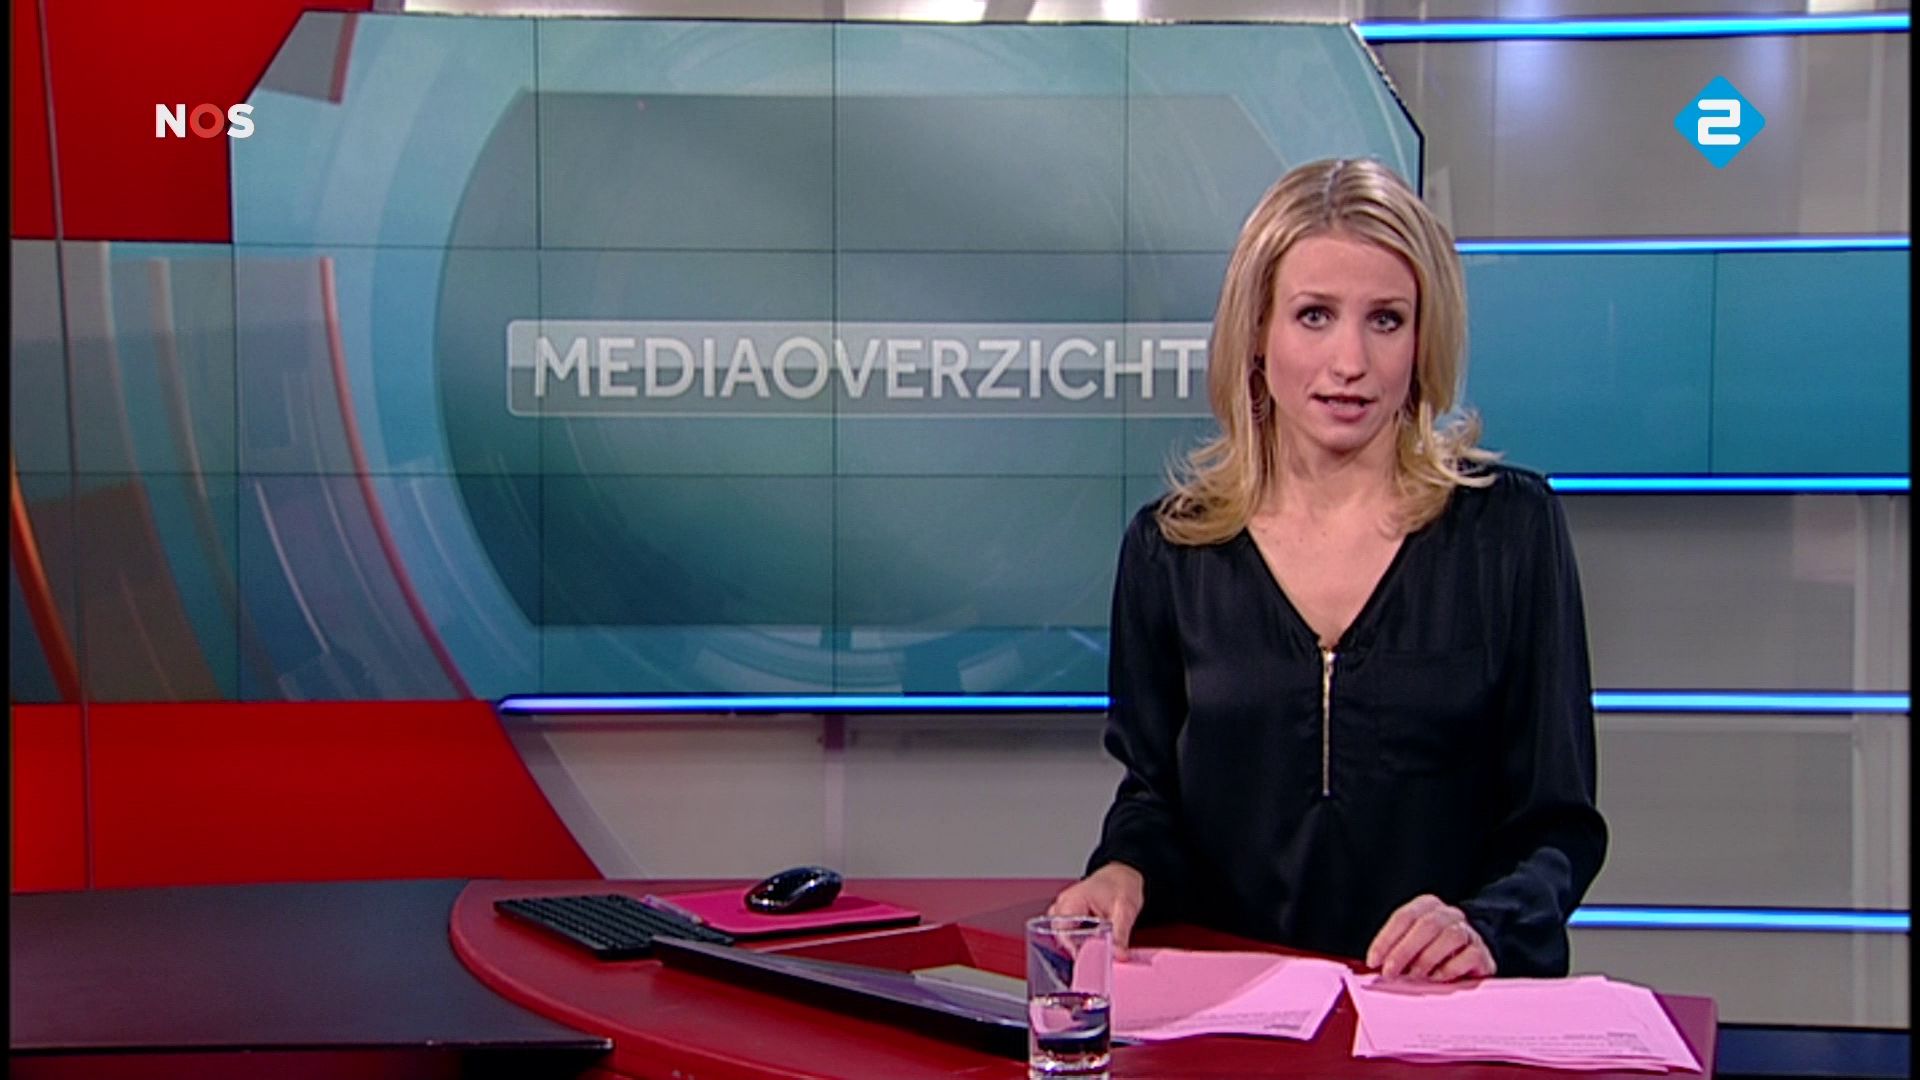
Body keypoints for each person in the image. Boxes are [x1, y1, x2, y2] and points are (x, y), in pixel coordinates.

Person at [1049, 157, 1606, 981]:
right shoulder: (1173, 549)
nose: (1350, 360)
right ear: (1256, 332)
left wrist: (1485, 924)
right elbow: (1153, 797)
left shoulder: (1510, 532)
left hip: (1447, 1012)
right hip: (1235, 1007)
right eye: (1314, 315)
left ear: (1422, 340)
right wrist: (1123, 870)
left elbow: (1558, 825)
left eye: (1386, 320)